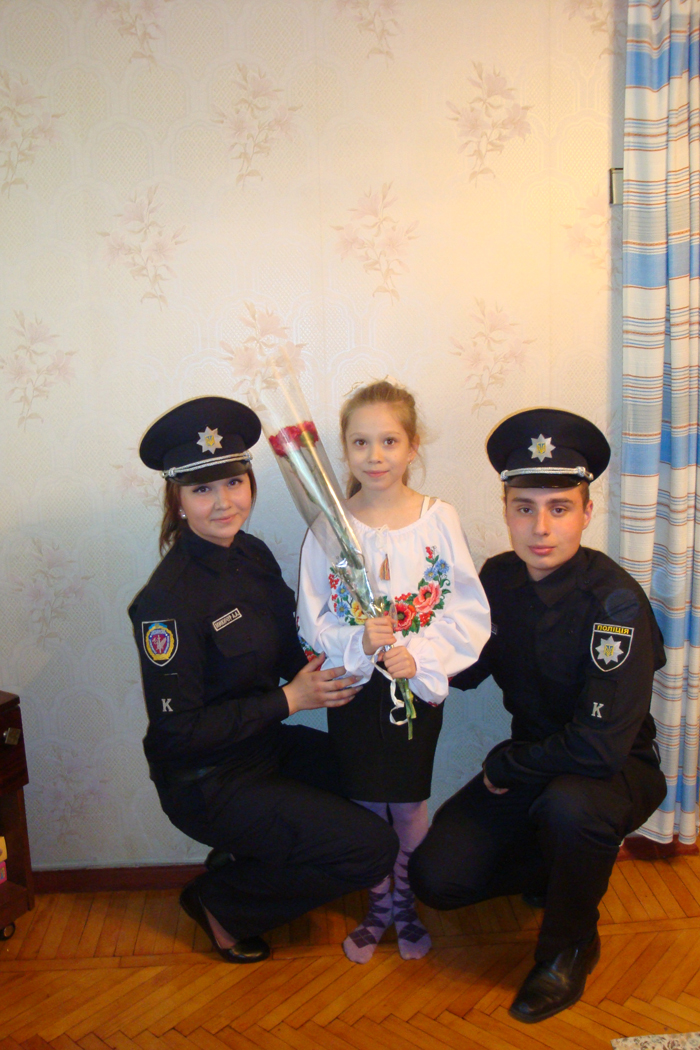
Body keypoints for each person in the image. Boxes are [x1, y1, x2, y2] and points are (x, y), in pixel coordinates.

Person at [409, 408, 667, 1022]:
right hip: (534, 765)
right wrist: (407, 642)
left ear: (587, 512)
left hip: (614, 770)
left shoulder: (615, 605)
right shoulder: (498, 580)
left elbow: (600, 748)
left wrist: (508, 765)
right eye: (525, 508)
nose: (541, 527)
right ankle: (557, 867)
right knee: (437, 880)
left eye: (560, 508)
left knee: (570, 807)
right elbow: (465, 669)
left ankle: (569, 947)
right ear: (506, 510)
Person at [128, 396, 399, 963]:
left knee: (370, 770)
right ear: (177, 501)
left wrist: (362, 646)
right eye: (202, 490)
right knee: (372, 848)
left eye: (233, 482)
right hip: (208, 779)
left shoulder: (250, 555)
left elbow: (292, 644)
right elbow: (179, 733)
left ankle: (247, 857)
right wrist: (289, 700)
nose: (223, 502)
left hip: (263, 747)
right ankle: (222, 905)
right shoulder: (166, 604)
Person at [297, 380, 491, 963]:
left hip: (414, 691)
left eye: (389, 441)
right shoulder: (329, 527)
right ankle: (377, 903)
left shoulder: (438, 519)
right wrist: (357, 642)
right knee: (363, 806)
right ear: (345, 449)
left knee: (406, 806)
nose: (375, 455)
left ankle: (405, 902)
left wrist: (421, 657)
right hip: (353, 690)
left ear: (412, 446)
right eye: (361, 442)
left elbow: (468, 611)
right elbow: (311, 620)